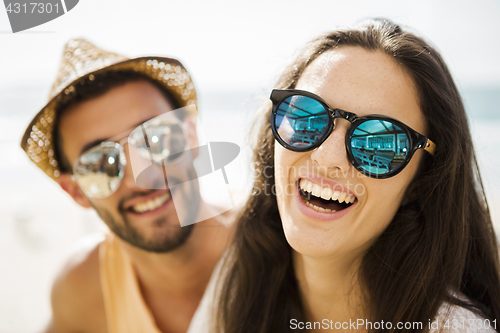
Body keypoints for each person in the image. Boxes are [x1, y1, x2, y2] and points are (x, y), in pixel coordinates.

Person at [191, 19, 500, 332]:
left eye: (378, 143)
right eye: (306, 116)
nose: (327, 157)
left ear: (421, 180)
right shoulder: (241, 279)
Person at [20, 39, 234, 333]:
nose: (140, 177)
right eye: (99, 163)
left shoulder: (278, 245)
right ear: (76, 191)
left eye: (155, 138)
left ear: (190, 137)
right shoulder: (84, 290)